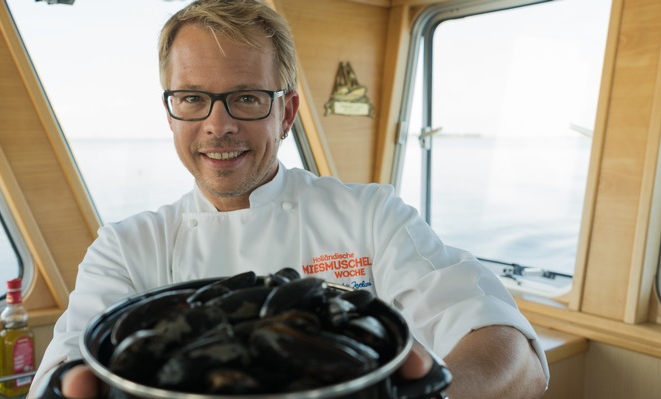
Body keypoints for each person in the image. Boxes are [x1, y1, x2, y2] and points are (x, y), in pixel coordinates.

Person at [29, 0, 548, 398]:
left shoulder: (371, 216)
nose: (218, 125)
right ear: (170, 113)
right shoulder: (125, 247)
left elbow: (508, 346)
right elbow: (62, 370)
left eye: (247, 98)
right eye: (192, 98)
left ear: (287, 112)